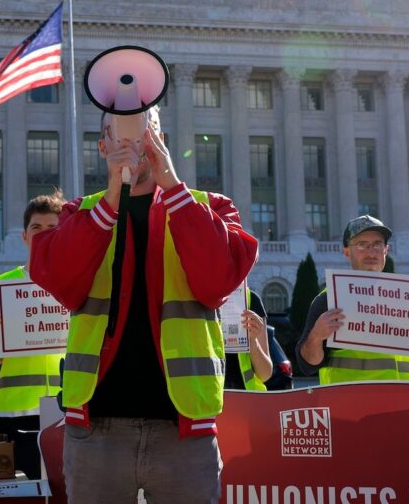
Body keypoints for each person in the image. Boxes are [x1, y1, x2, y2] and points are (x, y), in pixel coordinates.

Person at [29, 107, 259, 504]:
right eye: (119, 134)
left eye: (144, 130)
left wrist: (172, 187)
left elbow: (216, 282)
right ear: (103, 147)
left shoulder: (210, 207)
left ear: (162, 141)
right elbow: (61, 281)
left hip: (183, 433)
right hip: (96, 431)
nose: (133, 145)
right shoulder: (78, 213)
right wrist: (110, 202)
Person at [297, 215, 409, 383]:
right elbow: (307, 365)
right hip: (351, 408)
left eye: (377, 244)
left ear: (386, 250)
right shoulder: (330, 299)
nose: (371, 252)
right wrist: (315, 337)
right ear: (346, 251)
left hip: (403, 405)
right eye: (361, 244)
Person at [0, 191, 66, 479]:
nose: (43, 234)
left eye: (52, 228)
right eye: (36, 228)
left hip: (67, 410)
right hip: (15, 413)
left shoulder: (79, 282)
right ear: (25, 236)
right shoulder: (4, 286)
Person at [223, 290, 272, 390]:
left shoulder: (250, 299)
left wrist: (253, 342)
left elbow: (265, 374)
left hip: (245, 396)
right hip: (207, 398)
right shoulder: (196, 296)